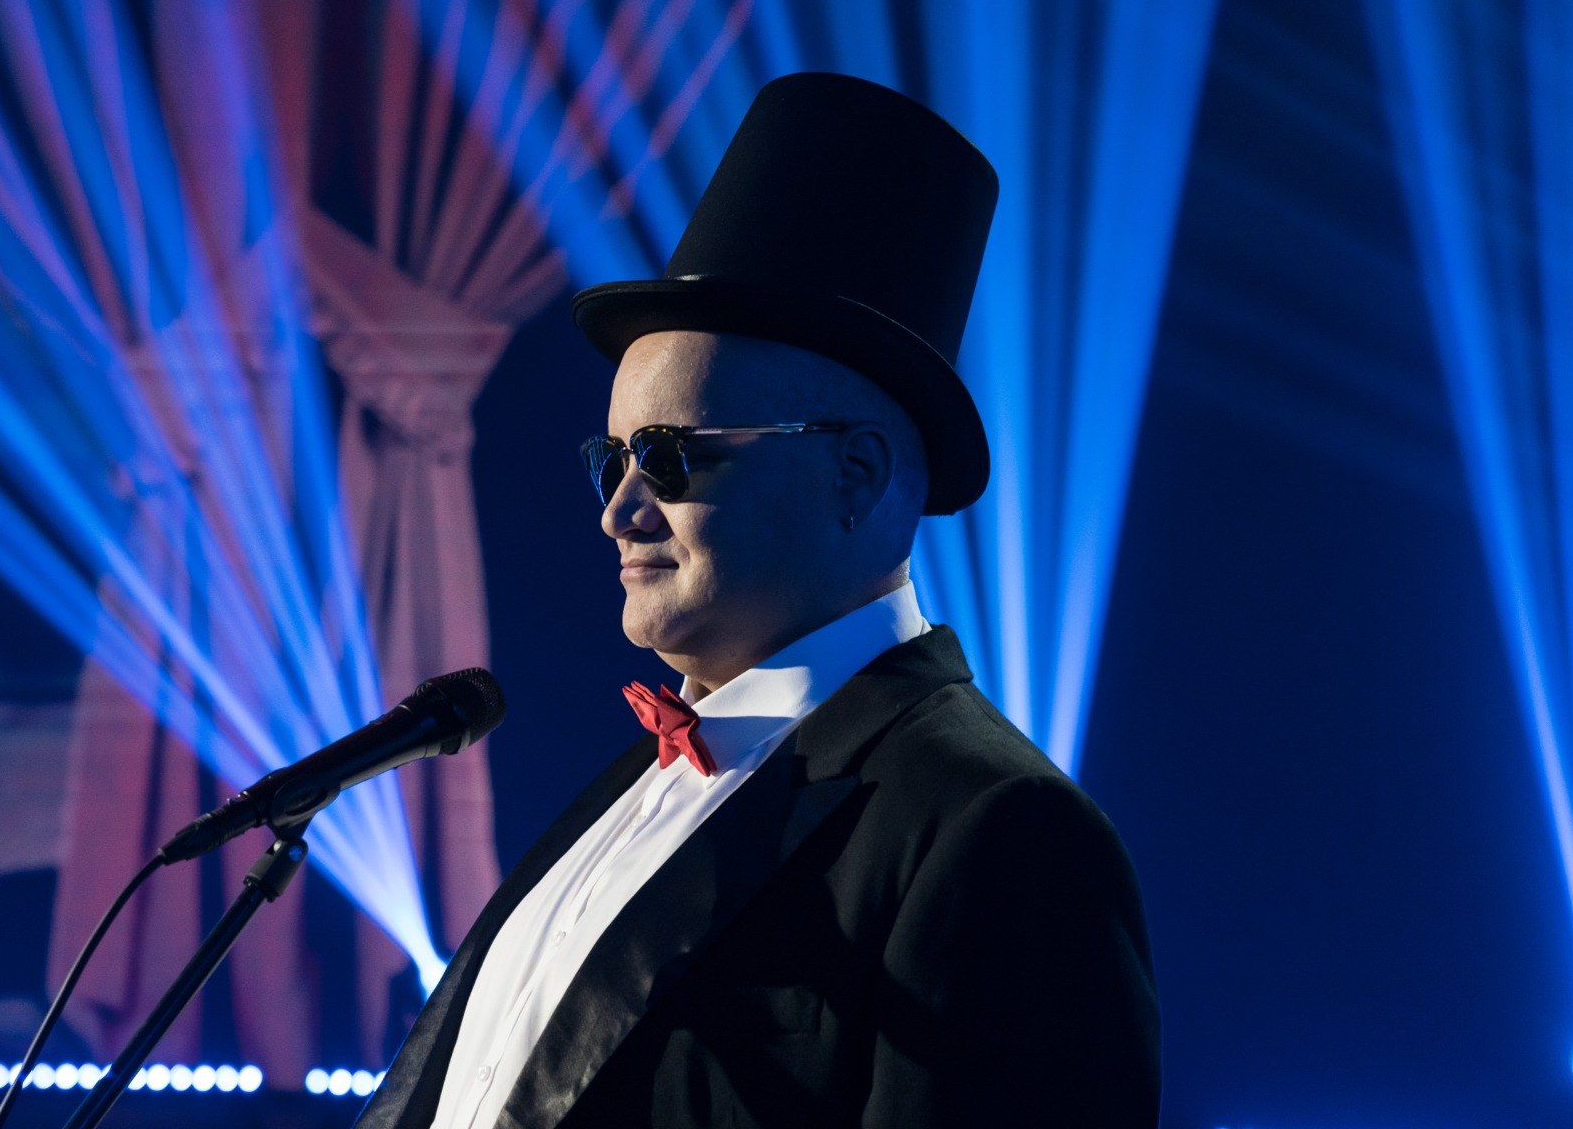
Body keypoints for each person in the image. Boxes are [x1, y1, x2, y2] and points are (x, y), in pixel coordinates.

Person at [355, 73, 1159, 1128]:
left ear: (855, 473)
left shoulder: (1000, 828)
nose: (620, 511)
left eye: (671, 455)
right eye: (611, 460)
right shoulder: (631, 786)